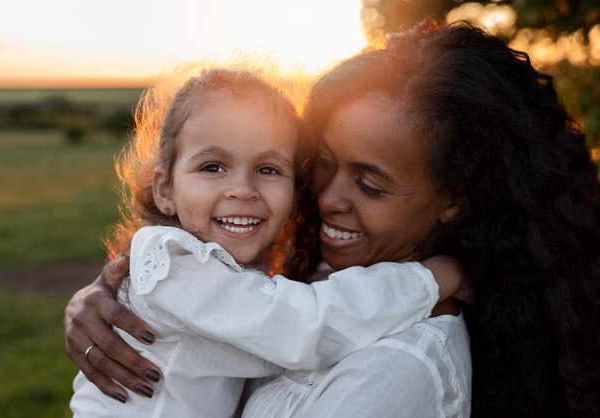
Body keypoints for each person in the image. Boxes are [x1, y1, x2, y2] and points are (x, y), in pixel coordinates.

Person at [66, 20, 600, 417]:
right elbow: (285, 320)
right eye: (321, 164)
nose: (323, 198)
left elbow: (294, 322)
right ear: (164, 185)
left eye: (369, 184)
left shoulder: (401, 368)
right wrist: (103, 299)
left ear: (455, 198)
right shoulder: (313, 278)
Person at [69, 66, 465, 417]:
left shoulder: (259, 275)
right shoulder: (175, 262)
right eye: (213, 166)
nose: (242, 189)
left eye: (268, 168)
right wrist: (434, 278)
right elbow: (303, 327)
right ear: (165, 190)